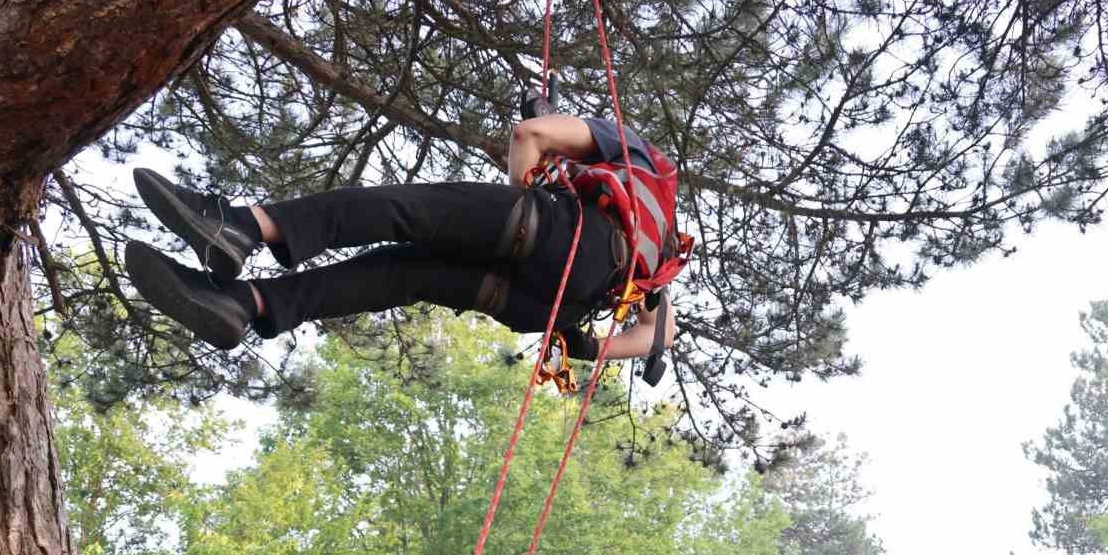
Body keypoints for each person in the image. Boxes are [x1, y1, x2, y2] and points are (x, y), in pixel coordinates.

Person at [124, 112, 687, 380]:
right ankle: (248, 303)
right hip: (544, 307)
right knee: (396, 275)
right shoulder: (658, 257)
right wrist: (588, 350)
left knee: (398, 211)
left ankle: (242, 226)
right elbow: (661, 331)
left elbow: (531, 135)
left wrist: (522, 205)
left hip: (559, 236)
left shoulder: (638, 152)